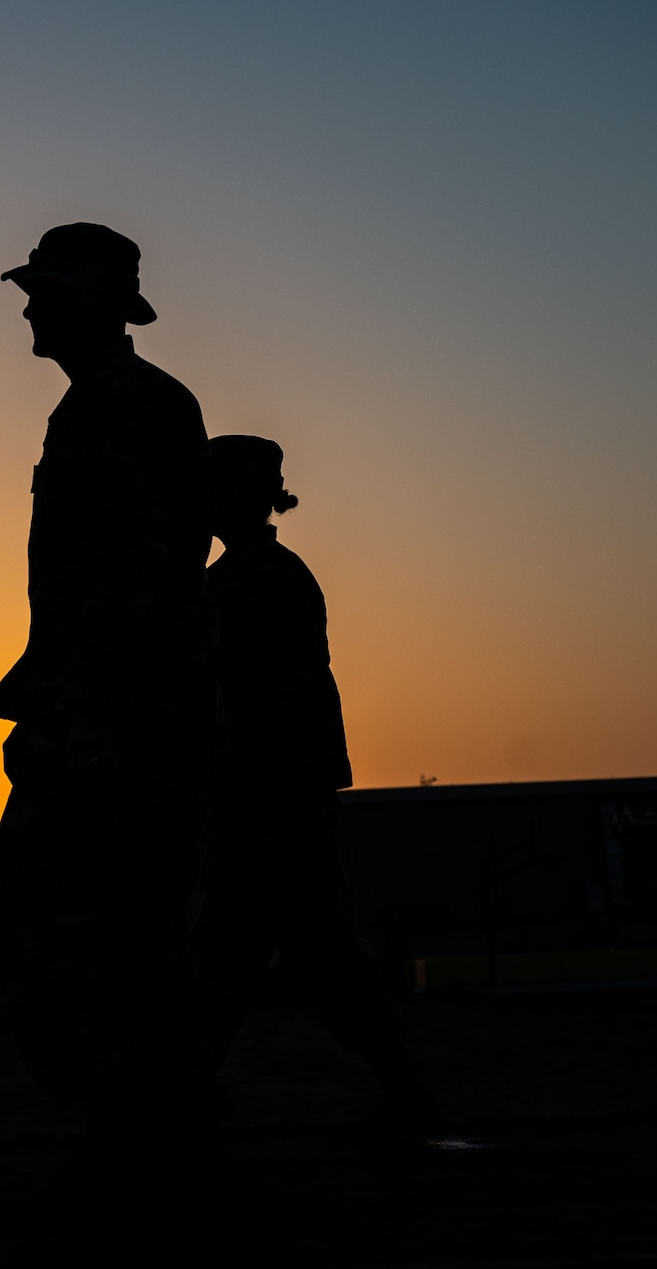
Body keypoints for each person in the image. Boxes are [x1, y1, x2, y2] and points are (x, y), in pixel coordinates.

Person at [0, 223, 228, 1207]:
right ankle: (178, 1141)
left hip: (120, 714)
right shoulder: (109, 403)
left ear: (85, 302)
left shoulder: (121, 406)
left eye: (42, 293)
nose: (30, 310)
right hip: (136, 706)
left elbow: (125, 572)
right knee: (133, 927)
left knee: (39, 907)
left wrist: (86, 714)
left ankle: (131, 1120)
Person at [193, 435, 439, 1136]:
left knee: (225, 958)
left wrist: (307, 787)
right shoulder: (228, 579)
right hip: (251, 799)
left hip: (266, 803)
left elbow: (301, 690)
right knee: (315, 951)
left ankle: (184, 1106)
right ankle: (402, 1088)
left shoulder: (264, 579)